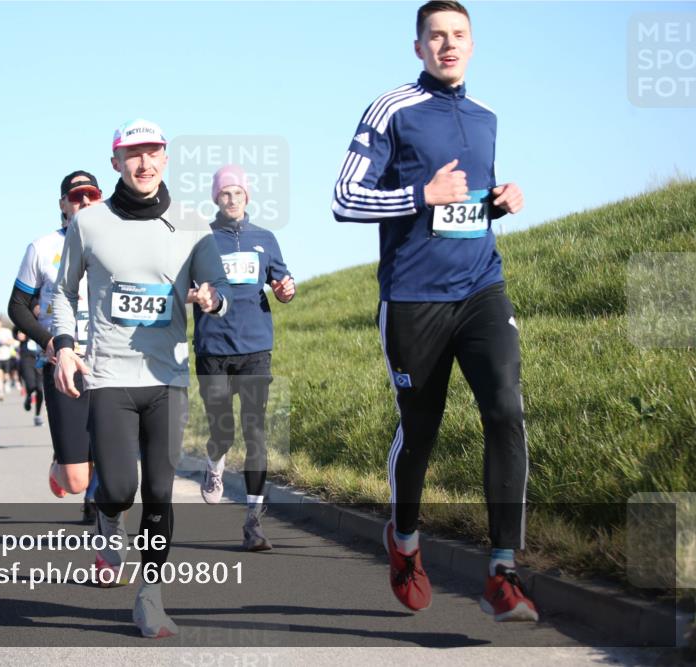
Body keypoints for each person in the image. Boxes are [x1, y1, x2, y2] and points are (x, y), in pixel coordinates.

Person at [331, 0, 536, 622]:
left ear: (472, 45)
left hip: (481, 289)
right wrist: (420, 193)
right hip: (414, 299)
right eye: (436, 36)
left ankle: (503, 570)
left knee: (505, 409)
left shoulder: (487, 115)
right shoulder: (391, 109)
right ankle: (405, 539)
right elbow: (344, 197)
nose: (448, 45)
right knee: (420, 431)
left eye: (459, 35)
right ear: (418, 46)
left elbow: (464, 206)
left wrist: (496, 203)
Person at [51, 119, 231, 638]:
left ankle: (149, 596)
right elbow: (62, 292)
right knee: (120, 489)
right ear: (116, 163)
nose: (144, 163)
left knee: (158, 489)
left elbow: (218, 286)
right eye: (133, 155)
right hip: (108, 375)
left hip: (166, 377)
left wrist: (209, 298)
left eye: (153, 153)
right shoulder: (89, 224)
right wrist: (64, 347)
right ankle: (108, 518)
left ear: (166, 159)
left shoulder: (193, 224)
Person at [193, 164, 296, 552]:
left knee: (256, 433)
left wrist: (286, 290)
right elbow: (184, 286)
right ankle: (214, 464)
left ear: (247, 197)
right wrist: (197, 296)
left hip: (255, 347)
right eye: (224, 193)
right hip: (213, 348)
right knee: (223, 432)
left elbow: (282, 283)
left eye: (237, 192)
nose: (231, 198)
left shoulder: (265, 238)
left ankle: (253, 522)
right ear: (215, 198)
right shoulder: (201, 240)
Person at [8, 171, 103, 516]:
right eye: (77, 197)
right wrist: (48, 341)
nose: (85, 202)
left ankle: (104, 520)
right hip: (61, 362)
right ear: (63, 203)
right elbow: (16, 307)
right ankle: (61, 463)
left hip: (108, 359)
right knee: (74, 480)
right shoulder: (42, 247)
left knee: (110, 448)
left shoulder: (114, 243)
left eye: (91, 195)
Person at [15, 330, 45, 426]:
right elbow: (17, 334)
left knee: (40, 389)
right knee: (31, 386)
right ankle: (28, 396)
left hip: (40, 359)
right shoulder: (24, 323)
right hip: (26, 361)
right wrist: (20, 334)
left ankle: (37, 415)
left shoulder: (41, 321)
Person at [0, 319, 17, 400]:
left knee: (6, 376)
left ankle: (6, 383)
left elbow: (12, 341)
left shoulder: (6, 331)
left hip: (6, 356)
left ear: (0, 324)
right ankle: (0, 393)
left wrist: (6, 342)